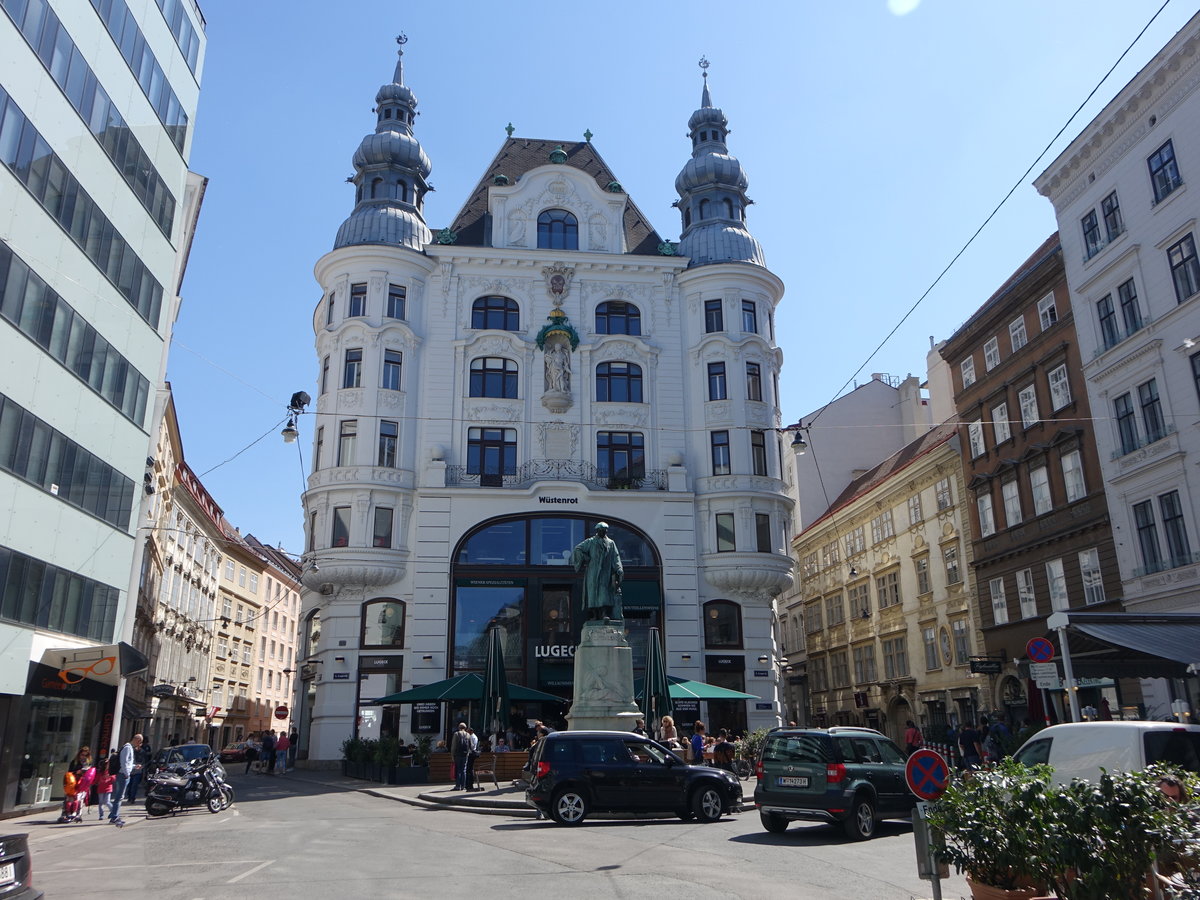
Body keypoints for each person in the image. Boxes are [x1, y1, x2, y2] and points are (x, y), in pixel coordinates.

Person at [571, 522, 624, 621]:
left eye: (604, 531)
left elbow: (615, 557)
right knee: (593, 593)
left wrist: (618, 568)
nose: (603, 532)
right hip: (593, 572)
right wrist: (586, 557)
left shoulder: (611, 543)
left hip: (605, 572)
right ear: (597, 531)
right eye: (601, 531)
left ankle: (604, 613)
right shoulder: (590, 542)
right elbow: (578, 549)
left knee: (604, 592)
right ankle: (594, 615)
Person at [109, 733, 142, 827]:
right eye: (140, 742)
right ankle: (114, 816)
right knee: (119, 796)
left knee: (120, 796)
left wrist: (135, 766)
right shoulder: (127, 748)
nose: (139, 745)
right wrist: (127, 774)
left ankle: (113, 814)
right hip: (123, 775)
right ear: (137, 740)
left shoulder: (129, 747)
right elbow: (123, 762)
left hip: (124, 774)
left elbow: (127, 763)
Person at [94, 751, 116, 821]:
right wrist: (94, 782)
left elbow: (114, 779)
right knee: (100, 802)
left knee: (107, 801)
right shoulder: (100, 772)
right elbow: (96, 780)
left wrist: (110, 777)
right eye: (107, 764)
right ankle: (101, 815)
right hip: (101, 788)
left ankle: (113, 811)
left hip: (108, 788)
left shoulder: (111, 771)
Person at [451, 723, 470, 790]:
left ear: (459, 727)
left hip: (458, 754)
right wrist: (467, 753)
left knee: (458, 770)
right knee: (464, 770)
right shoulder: (468, 735)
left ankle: (457, 786)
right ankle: (463, 786)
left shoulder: (456, 734)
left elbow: (454, 746)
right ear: (465, 727)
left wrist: (452, 755)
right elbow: (470, 746)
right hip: (465, 755)